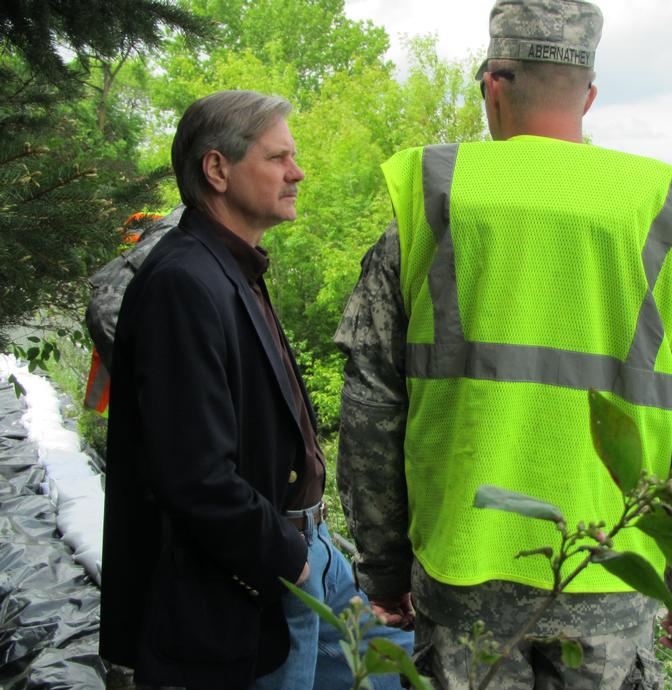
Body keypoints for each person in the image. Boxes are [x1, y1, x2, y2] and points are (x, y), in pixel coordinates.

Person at [334, 1, 672, 688]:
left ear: (494, 84)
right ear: (587, 93)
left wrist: (380, 570)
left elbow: (372, 412)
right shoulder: (665, 211)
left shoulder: (433, 199)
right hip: (608, 581)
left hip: (460, 583)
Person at [99, 90, 410, 690]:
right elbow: (195, 478)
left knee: (400, 672)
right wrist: (289, 563)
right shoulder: (182, 284)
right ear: (217, 169)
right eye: (278, 158)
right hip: (260, 577)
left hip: (310, 552)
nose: (298, 172)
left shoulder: (229, 267)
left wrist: (315, 556)